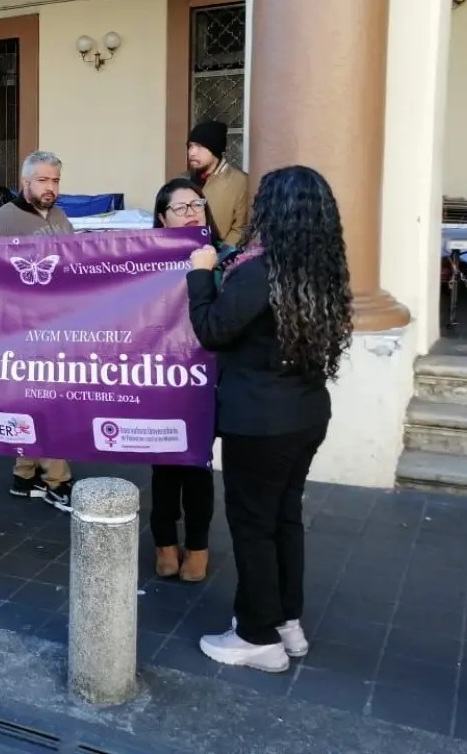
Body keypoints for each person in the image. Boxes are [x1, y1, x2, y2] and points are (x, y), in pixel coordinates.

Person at [186, 165, 352, 673]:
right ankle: (286, 622)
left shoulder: (260, 272)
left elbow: (212, 329)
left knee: (253, 525)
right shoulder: (320, 269)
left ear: (271, 212)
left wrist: (200, 272)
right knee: (284, 518)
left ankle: (257, 635)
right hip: (304, 414)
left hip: (260, 421)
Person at [149, 177, 234, 582]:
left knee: (198, 466)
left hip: (205, 379)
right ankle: (164, 544)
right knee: (164, 467)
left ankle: (197, 548)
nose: (191, 213)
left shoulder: (227, 258)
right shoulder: (143, 262)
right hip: (159, 380)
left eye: (196, 204)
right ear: (162, 219)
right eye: (180, 208)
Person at [0, 151, 76, 510]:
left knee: (37, 401)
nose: (50, 187)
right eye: (43, 180)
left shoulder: (59, 215)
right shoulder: (3, 221)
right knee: (44, 402)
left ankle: (24, 474)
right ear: (25, 182)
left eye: (55, 180)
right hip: (23, 328)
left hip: (58, 322)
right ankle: (59, 480)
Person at [187, 120, 248, 245]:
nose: (192, 152)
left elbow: (241, 228)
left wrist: (220, 256)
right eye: (190, 146)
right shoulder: (183, 180)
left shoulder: (240, 182)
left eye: (199, 146)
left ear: (214, 148)